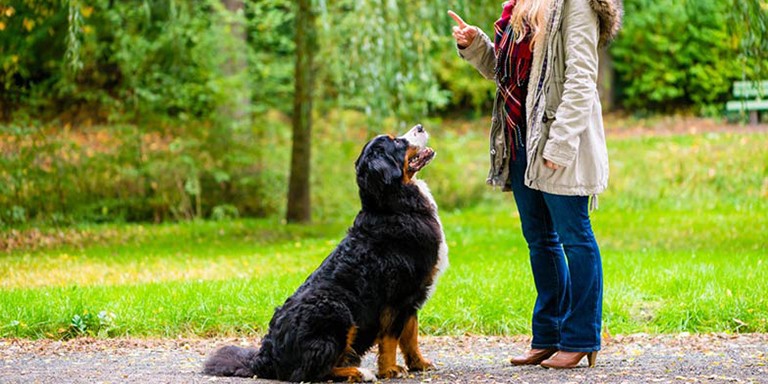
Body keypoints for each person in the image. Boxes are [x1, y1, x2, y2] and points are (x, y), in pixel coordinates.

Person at [448, 0, 622, 369]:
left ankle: (581, 338)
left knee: (575, 236)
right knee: (540, 241)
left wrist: (560, 143)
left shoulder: (577, 5)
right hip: (520, 137)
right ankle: (548, 336)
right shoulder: (520, 5)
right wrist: (475, 44)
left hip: (559, 138)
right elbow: (508, 74)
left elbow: (580, 79)